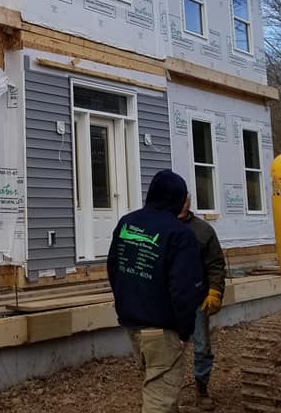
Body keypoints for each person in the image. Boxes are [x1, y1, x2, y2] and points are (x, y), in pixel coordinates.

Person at [108, 169, 204, 413]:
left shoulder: (127, 223)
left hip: (132, 323)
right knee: (160, 398)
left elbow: (114, 269)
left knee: (155, 384)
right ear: (177, 199)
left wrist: (124, 307)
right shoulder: (180, 234)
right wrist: (185, 330)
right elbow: (184, 289)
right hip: (163, 330)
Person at [179, 195, 226, 411]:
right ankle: (165, 391)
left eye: (185, 199)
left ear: (189, 202)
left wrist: (215, 291)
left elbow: (215, 264)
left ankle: (202, 387)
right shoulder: (162, 227)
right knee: (166, 347)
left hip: (197, 298)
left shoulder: (203, 230)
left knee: (202, 347)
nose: (182, 203)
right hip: (168, 302)